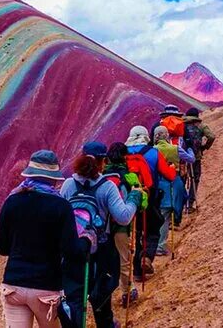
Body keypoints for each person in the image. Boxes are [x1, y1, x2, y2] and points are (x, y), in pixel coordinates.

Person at [0, 150, 83, 328]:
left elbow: (2, 248)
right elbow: (71, 251)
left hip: (13, 285)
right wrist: (88, 240)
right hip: (46, 287)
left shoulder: (12, 201)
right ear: (53, 178)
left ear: (30, 174)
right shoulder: (61, 206)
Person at [59, 142, 141, 328]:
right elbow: (123, 217)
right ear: (103, 161)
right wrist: (134, 199)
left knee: (75, 301)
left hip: (73, 251)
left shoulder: (68, 185)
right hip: (101, 251)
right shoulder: (107, 187)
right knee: (101, 301)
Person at [125, 126, 176, 280]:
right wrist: (173, 168)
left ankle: (137, 272)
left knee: (135, 231)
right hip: (149, 196)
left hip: (127, 198)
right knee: (153, 227)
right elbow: (169, 175)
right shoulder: (153, 152)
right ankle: (146, 257)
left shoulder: (123, 153)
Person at [103, 142, 146, 307]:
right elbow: (141, 202)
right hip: (122, 225)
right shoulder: (130, 176)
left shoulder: (101, 177)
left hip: (102, 226)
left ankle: (103, 292)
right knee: (124, 258)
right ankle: (127, 291)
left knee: (104, 259)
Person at [153, 126, 195, 255]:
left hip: (158, 183)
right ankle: (160, 246)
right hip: (174, 182)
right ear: (166, 136)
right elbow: (191, 159)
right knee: (167, 214)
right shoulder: (175, 148)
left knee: (160, 213)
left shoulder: (153, 150)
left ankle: (154, 245)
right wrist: (190, 150)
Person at [183, 107, 215, 212]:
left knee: (182, 179)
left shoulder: (181, 124)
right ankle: (190, 204)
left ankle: (180, 204)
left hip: (182, 157)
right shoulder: (200, 125)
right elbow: (211, 136)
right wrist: (204, 147)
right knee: (194, 178)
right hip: (195, 157)